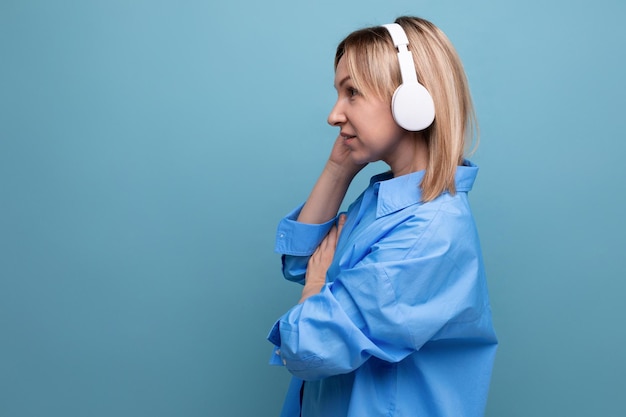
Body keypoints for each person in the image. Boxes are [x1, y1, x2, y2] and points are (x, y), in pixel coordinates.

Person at [267, 16, 497, 417]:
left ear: (411, 101)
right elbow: (300, 261)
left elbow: (306, 345)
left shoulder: (428, 233)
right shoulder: (386, 199)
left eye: (351, 93)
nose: (334, 114)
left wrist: (318, 286)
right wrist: (339, 169)